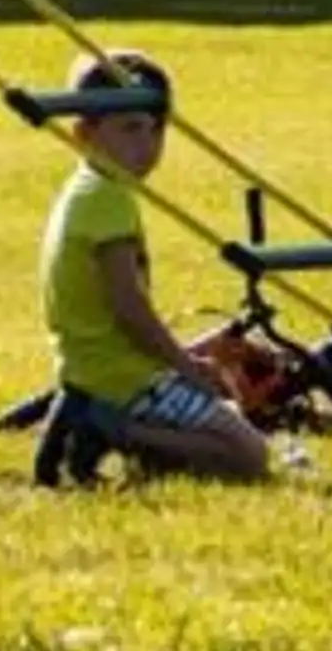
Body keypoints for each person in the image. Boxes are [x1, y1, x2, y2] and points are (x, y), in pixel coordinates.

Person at [36, 49, 270, 485]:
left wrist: (197, 354)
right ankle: (112, 429)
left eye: (154, 130)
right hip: (121, 379)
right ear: (84, 132)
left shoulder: (89, 190)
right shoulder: (108, 200)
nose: (146, 147)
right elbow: (129, 309)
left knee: (228, 417)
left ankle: (131, 441)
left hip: (100, 367)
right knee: (250, 457)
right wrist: (184, 366)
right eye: (129, 129)